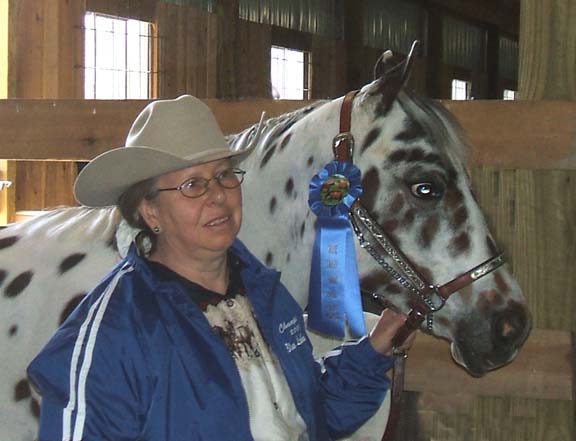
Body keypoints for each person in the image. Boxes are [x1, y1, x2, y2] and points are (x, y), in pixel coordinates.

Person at [27, 95, 415, 441]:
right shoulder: (113, 333)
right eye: (192, 185)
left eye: (224, 175)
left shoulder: (264, 293)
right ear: (150, 211)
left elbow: (313, 411)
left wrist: (375, 350)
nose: (218, 195)